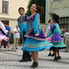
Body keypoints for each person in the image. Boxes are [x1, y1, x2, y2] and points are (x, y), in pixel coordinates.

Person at [21, 4, 53, 68]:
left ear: (36, 9)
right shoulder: (29, 16)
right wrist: (24, 32)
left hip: (35, 32)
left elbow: (37, 23)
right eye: (31, 6)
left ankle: (36, 62)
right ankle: (34, 61)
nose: (32, 7)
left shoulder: (37, 15)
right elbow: (27, 25)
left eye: (34, 7)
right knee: (31, 48)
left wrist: (37, 32)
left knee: (35, 48)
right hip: (29, 33)